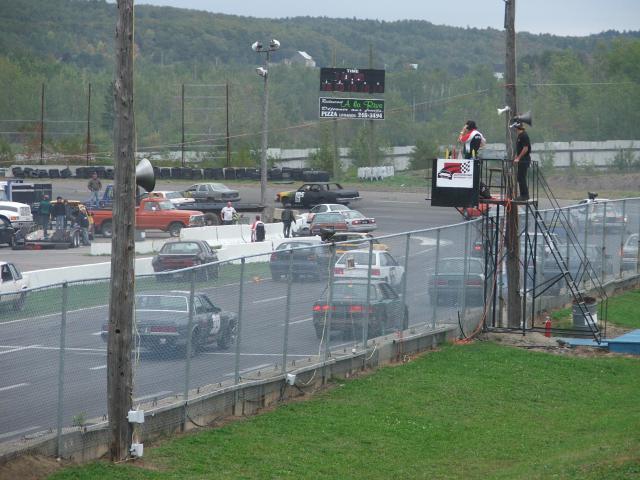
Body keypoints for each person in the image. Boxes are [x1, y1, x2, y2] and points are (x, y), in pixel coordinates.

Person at [513, 121, 532, 201]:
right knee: (520, 177)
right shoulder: (520, 136)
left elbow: (525, 148)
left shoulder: (524, 135)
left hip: (524, 159)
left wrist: (518, 158)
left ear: (517, 128)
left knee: (521, 177)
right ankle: (523, 194)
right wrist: (516, 157)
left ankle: (524, 195)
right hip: (521, 159)